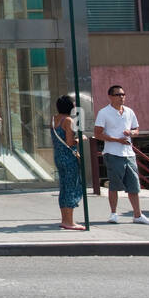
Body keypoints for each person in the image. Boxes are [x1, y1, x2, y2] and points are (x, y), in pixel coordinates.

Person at [93, 84, 149, 225]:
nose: (121, 97)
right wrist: (117, 140)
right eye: (118, 95)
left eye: (123, 94)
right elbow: (97, 134)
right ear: (110, 97)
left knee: (134, 185)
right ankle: (113, 213)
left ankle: (137, 215)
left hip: (129, 153)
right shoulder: (104, 112)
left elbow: (136, 129)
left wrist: (131, 133)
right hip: (112, 153)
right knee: (114, 185)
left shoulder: (129, 111)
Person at [52, 94, 85, 229]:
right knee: (72, 187)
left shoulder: (54, 119)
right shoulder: (68, 121)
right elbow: (70, 141)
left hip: (58, 156)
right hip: (68, 157)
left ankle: (65, 219)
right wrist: (80, 139)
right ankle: (69, 221)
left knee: (64, 187)